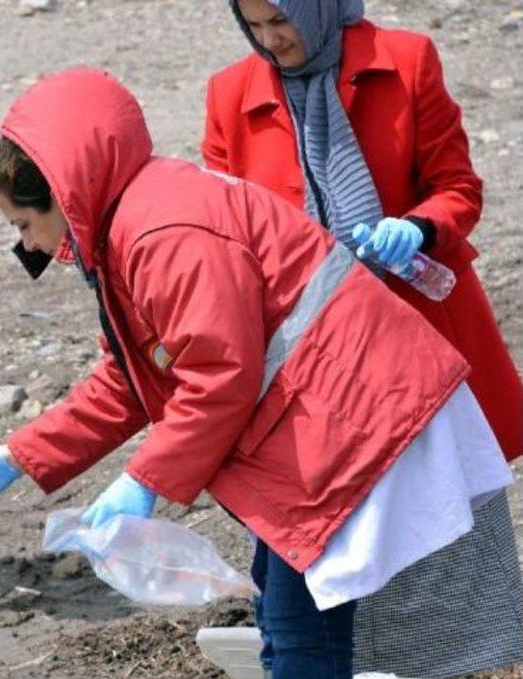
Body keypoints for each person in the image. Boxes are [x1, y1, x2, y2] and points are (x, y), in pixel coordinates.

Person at [0, 67, 519, 679]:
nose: (31, 246)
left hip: (349, 415)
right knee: (292, 623)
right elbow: (137, 379)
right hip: (323, 416)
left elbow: (218, 372)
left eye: (28, 223)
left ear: (67, 188)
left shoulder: (161, 228)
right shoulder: (133, 220)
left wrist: (144, 484)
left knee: (300, 623)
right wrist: (20, 456)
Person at [202, 0, 523, 464]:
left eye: (279, 22)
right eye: (252, 26)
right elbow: (227, 229)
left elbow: (458, 188)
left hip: (421, 323)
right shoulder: (229, 94)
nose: (269, 41)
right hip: (319, 346)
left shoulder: (406, 61)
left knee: (455, 492)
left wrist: (417, 228)